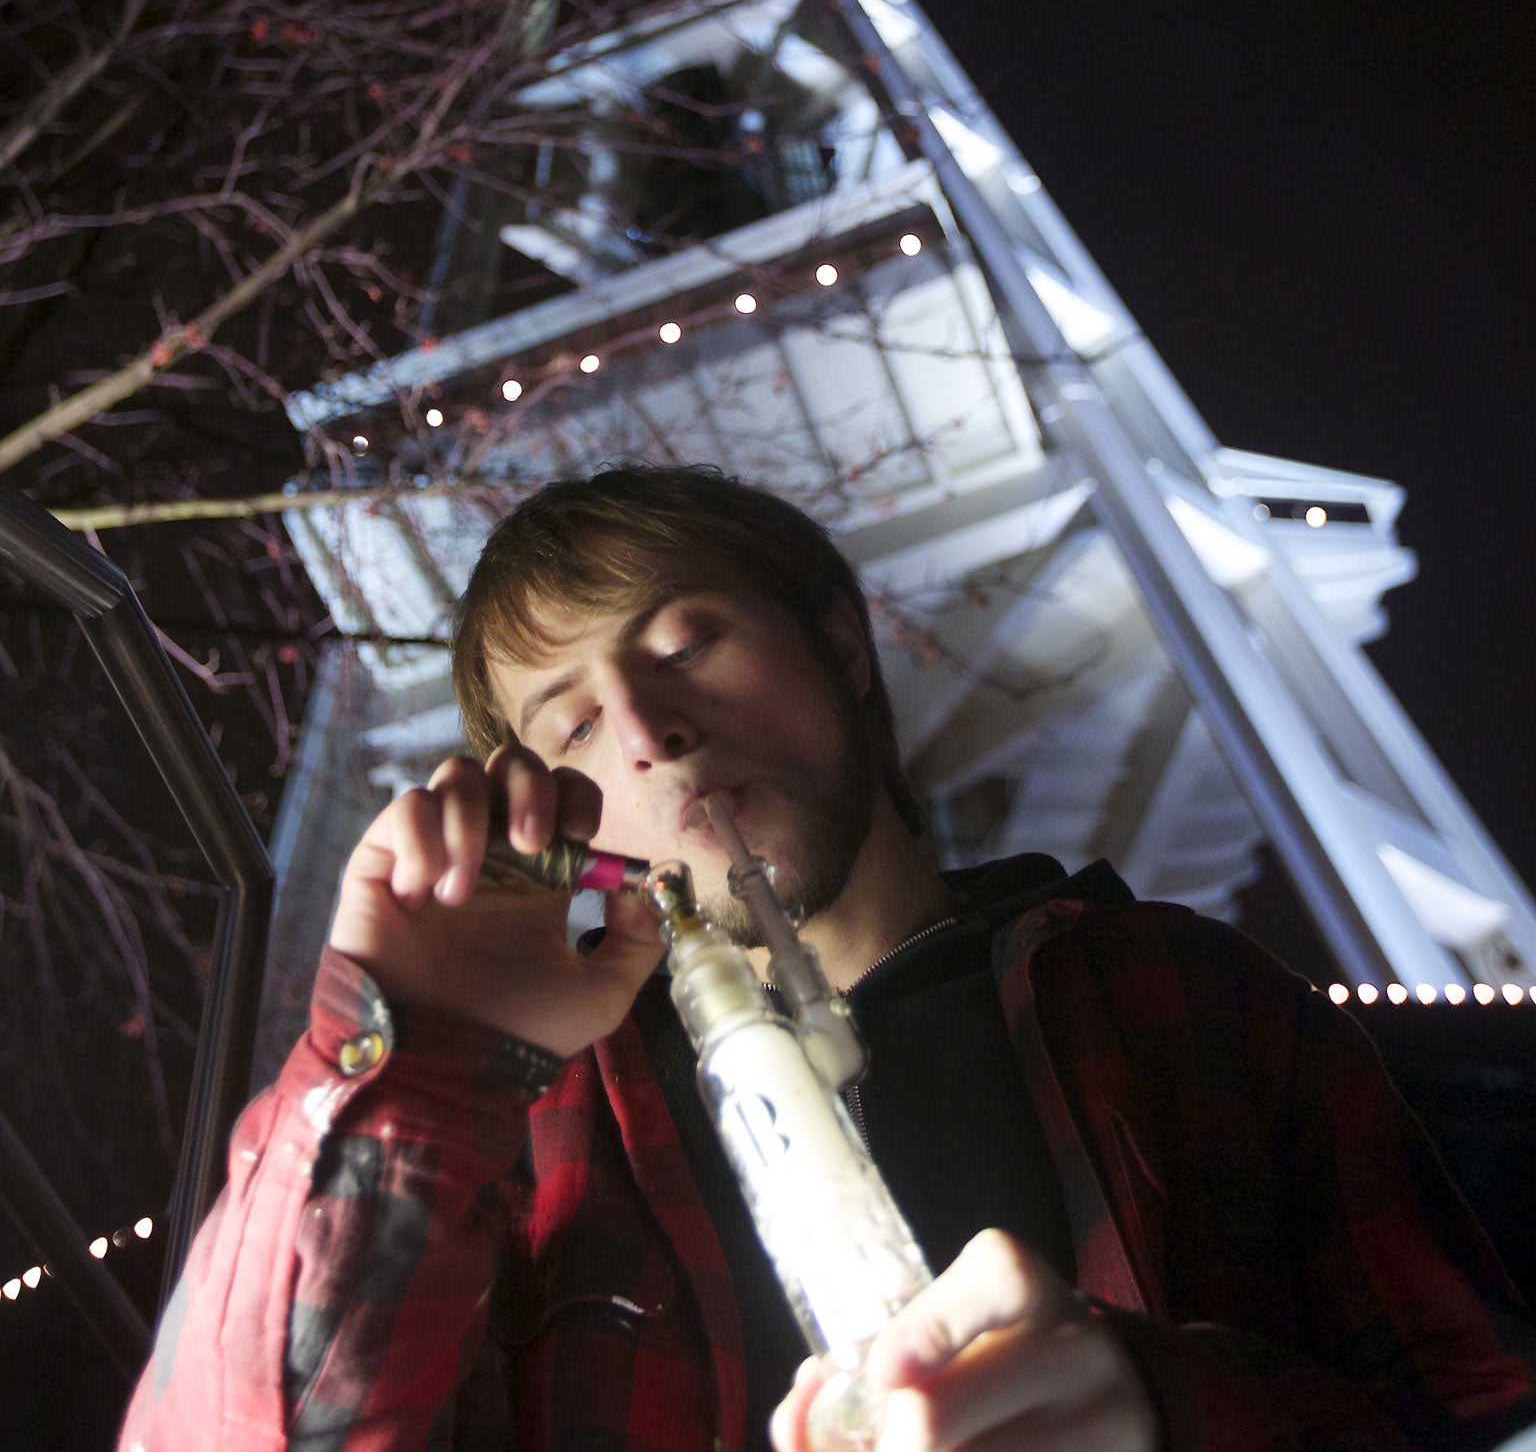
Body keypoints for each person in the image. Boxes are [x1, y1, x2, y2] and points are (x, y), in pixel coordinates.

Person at [119, 465, 1536, 1452]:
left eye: (688, 641)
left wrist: (1173, 1416)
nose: (644, 727)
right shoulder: (533, 1137)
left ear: (845, 649)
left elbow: (1477, 1411)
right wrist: (404, 1066)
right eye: (564, 727)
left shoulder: (1189, 1001)